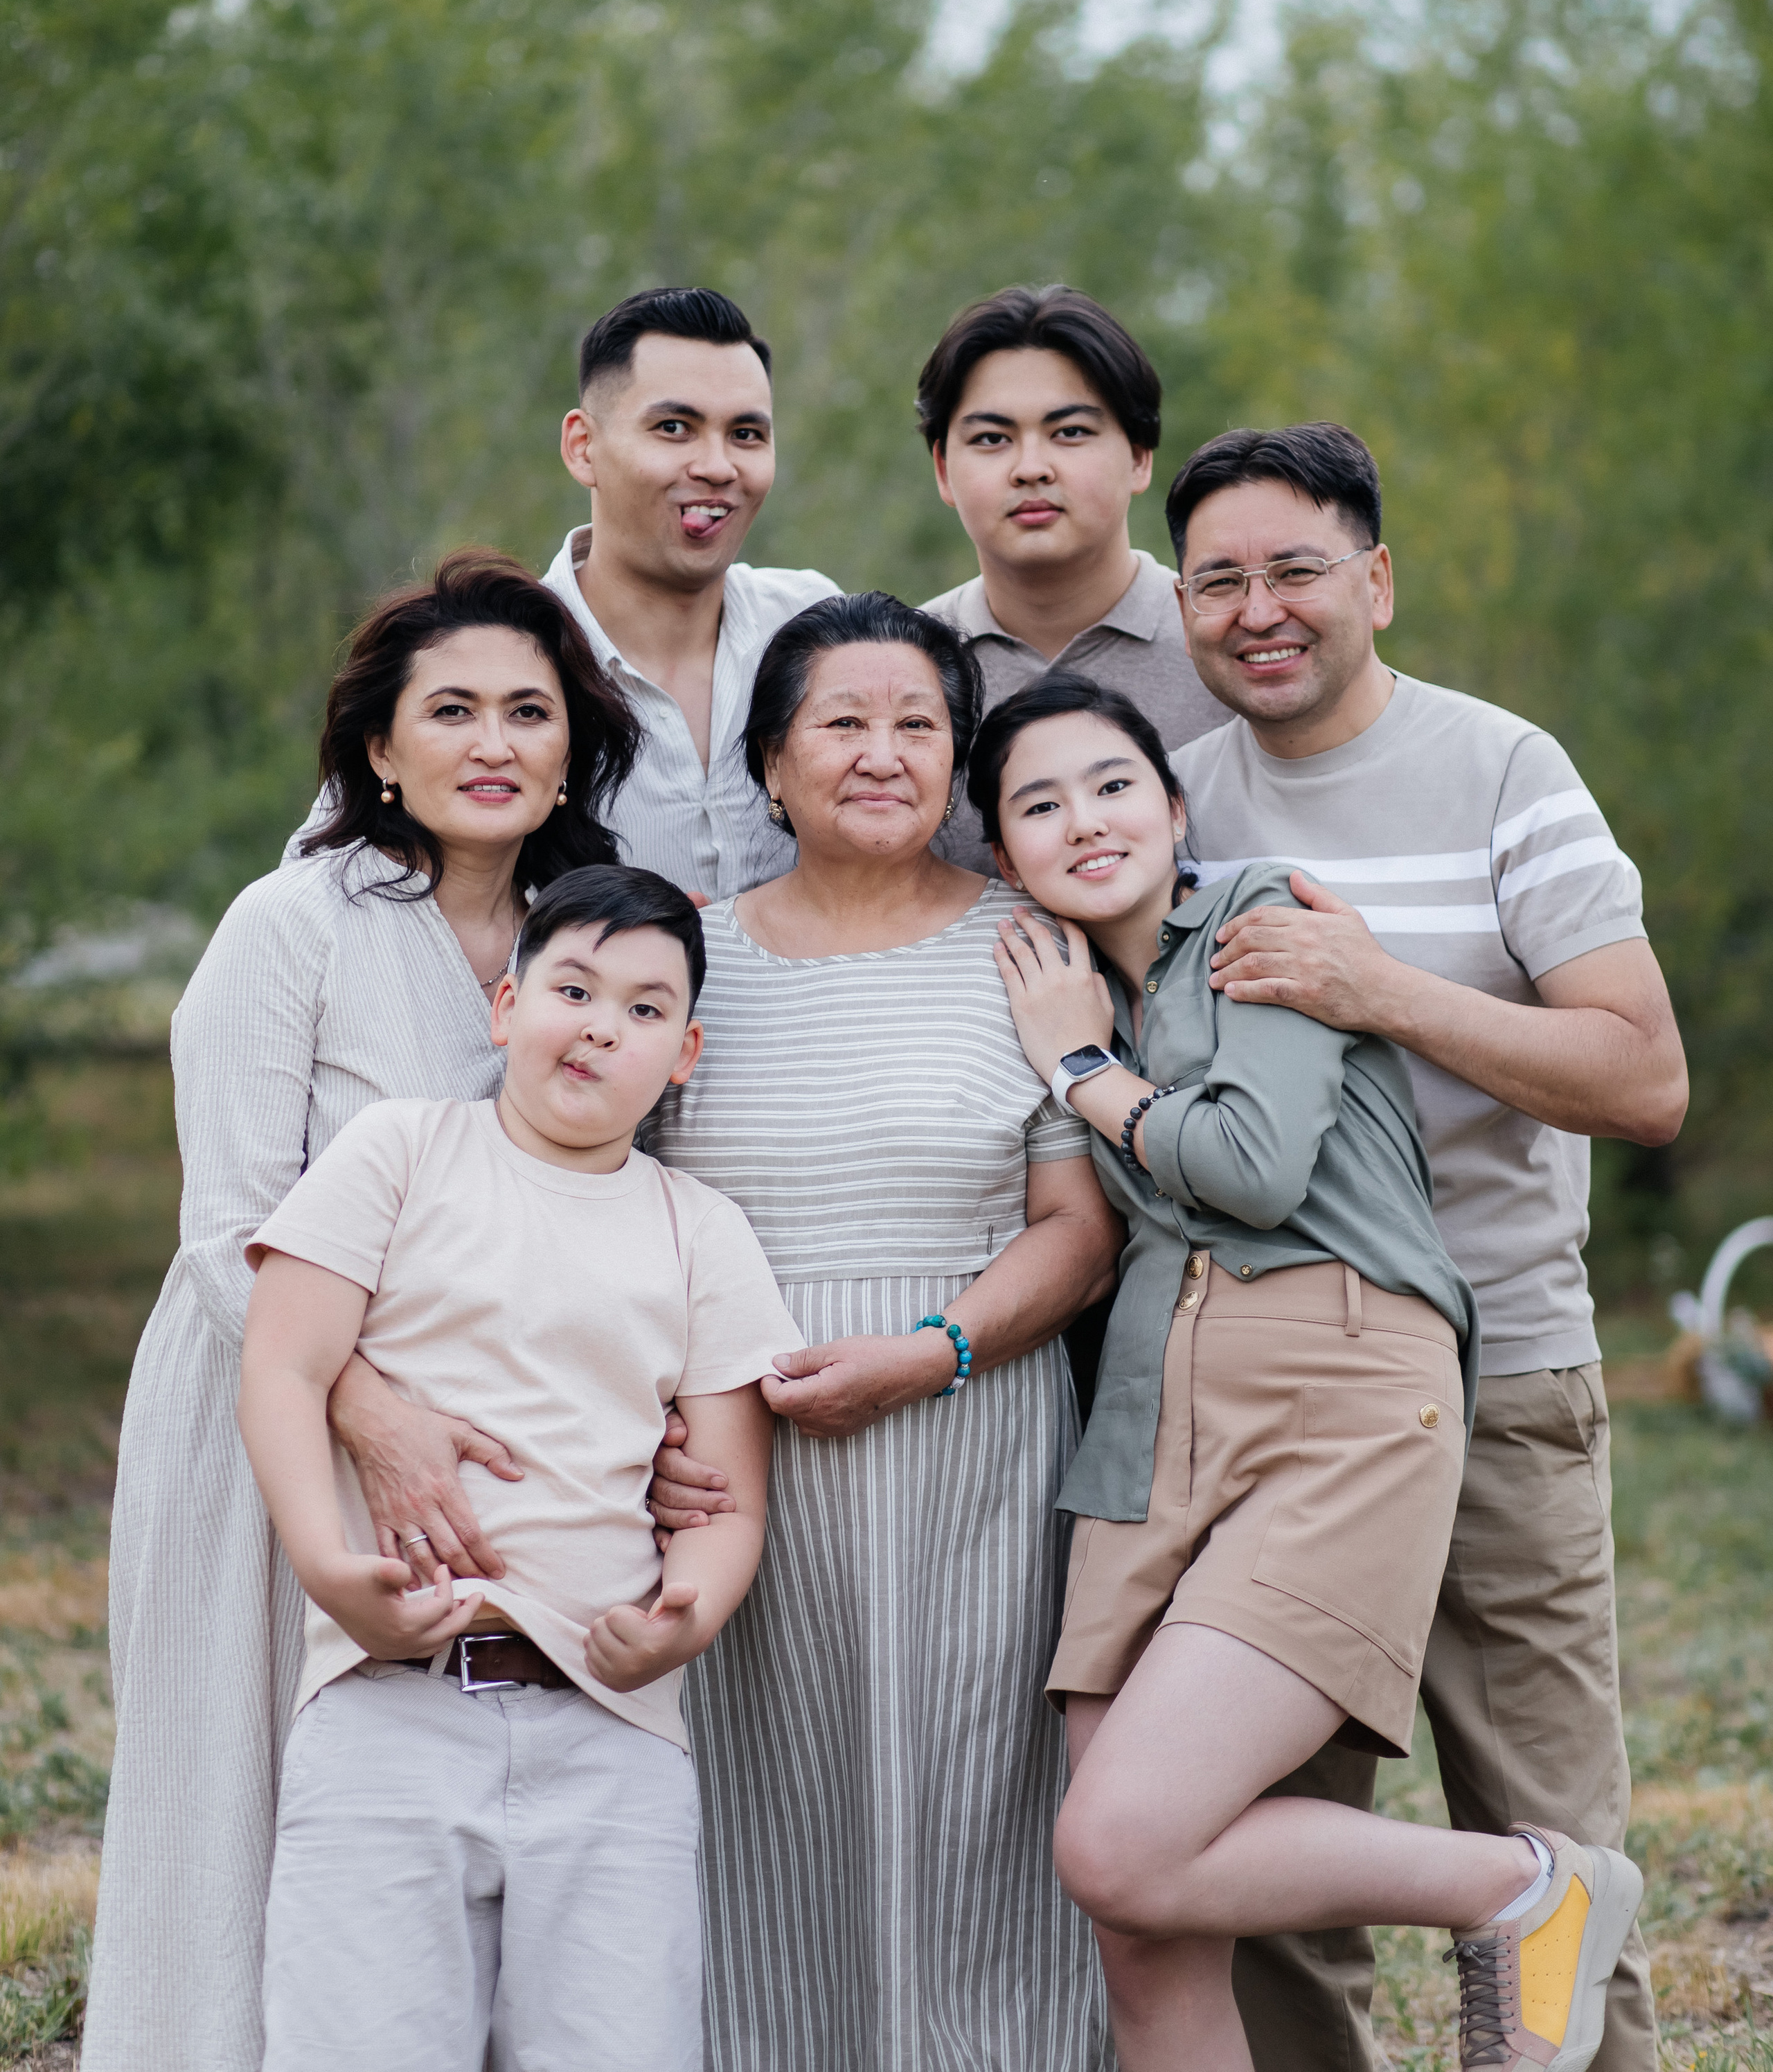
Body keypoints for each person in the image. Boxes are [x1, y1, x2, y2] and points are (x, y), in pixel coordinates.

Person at [969, 671, 1642, 2072]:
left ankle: (1524, 1886)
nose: (1083, 821)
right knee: (1141, 1928)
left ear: (1175, 810)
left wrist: (1081, 1070)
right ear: (1002, 854)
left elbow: (1254, 1168)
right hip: (1145, 1428)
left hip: (1335, 1390)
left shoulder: (1257, 919)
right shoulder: (1059, 983)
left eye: (1112, 786)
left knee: (1119, 1844)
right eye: (1038, 805)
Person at [1165, 423, 1688, 2072]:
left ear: (1375, 580)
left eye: (1295, 569)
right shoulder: (1162, 802)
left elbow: (1641, 1078)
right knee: (1260, 1860)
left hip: (1495, 1373)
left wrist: (1375, 987)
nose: (1257, 609)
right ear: (1176, 607)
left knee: (1547, 1843)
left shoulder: (1502, 770)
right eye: (1217, 581)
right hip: (1264, 1398)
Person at [83, 553, 643, 2072]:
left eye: (528, 710)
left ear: (572, 746)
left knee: (448, 1830)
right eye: (450, 710)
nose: (492, 742)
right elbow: (229, 1230)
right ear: (380, 749)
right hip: (272, 1415)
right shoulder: (293, 924)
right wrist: (372, 1419)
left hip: (508, 1439)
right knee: (248, 1784)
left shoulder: (587, 944)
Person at [643, 592, 1123, 2072]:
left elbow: (1077, 1230)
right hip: (737, 1470)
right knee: (766, 1821)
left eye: (918, 723)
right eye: (841, 721)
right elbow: (611, 1212)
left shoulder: (1028, 950)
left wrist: (930, 1352)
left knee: (977, 1803)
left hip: (974, 1444)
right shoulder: (686, 957)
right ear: (769, 765)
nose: (882, 752)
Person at [238, 867, 801, 2072]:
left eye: (646, 1010)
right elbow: (282, 1367)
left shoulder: (699, 1230)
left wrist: (688, 1616)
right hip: (390, 1705)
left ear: (685, 1055)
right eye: (574, 989)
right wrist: (329, 1569)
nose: (601, 1026)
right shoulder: (402, 1151)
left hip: (610, 1725)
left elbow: (729, 1499)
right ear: (506, 1008)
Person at [917, 281, 1230, 878]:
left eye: (1071, 433)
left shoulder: (1227, 643)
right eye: (991, 439)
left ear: (1139, 455)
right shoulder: (906, 667)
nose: (1031, 468)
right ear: (943, 468)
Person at [544, 283, 840, 894]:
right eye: (675, 427)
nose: (717, 467)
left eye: (746, 434)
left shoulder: (817, 627)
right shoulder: (500, 656)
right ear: (583, 447)